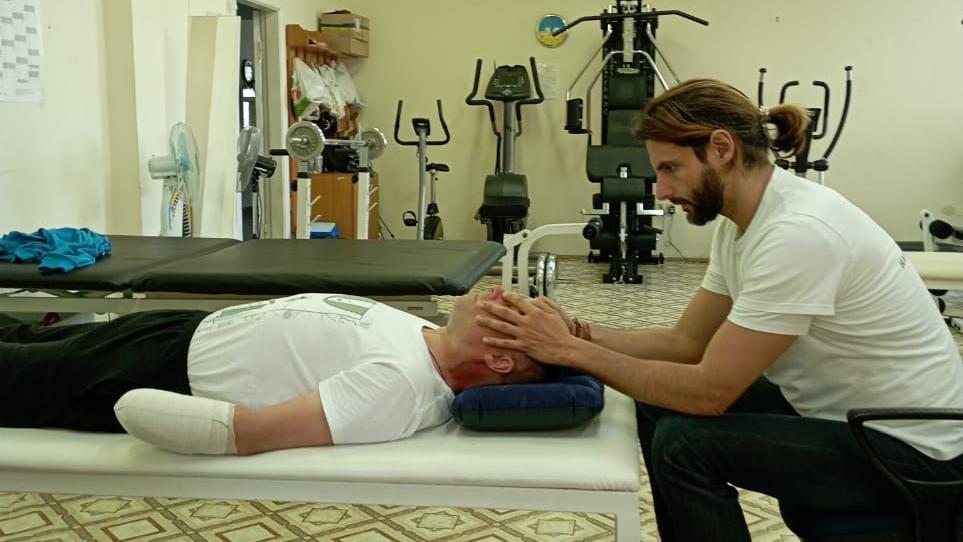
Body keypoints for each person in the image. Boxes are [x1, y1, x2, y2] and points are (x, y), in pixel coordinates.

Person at [476, 79, 963, 541]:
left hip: (914, 451)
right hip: (851, 416)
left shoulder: (799, 233)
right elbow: (684, 345)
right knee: (656, 395)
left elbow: (709, 393)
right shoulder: (742, 224)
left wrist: (571, 352)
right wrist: (576, 332)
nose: (661, 192)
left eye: (670, 169)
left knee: (684, 445)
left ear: (722, 148)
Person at [0, 287, 549, 456]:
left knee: (14, 373)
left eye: (510, 310)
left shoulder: (401, 387)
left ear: (499, 359)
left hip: (155, 369)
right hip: (180, 330)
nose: (498, 292)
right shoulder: (424, 337)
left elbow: (248, 434)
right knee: (23, 339)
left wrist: (138, 407)